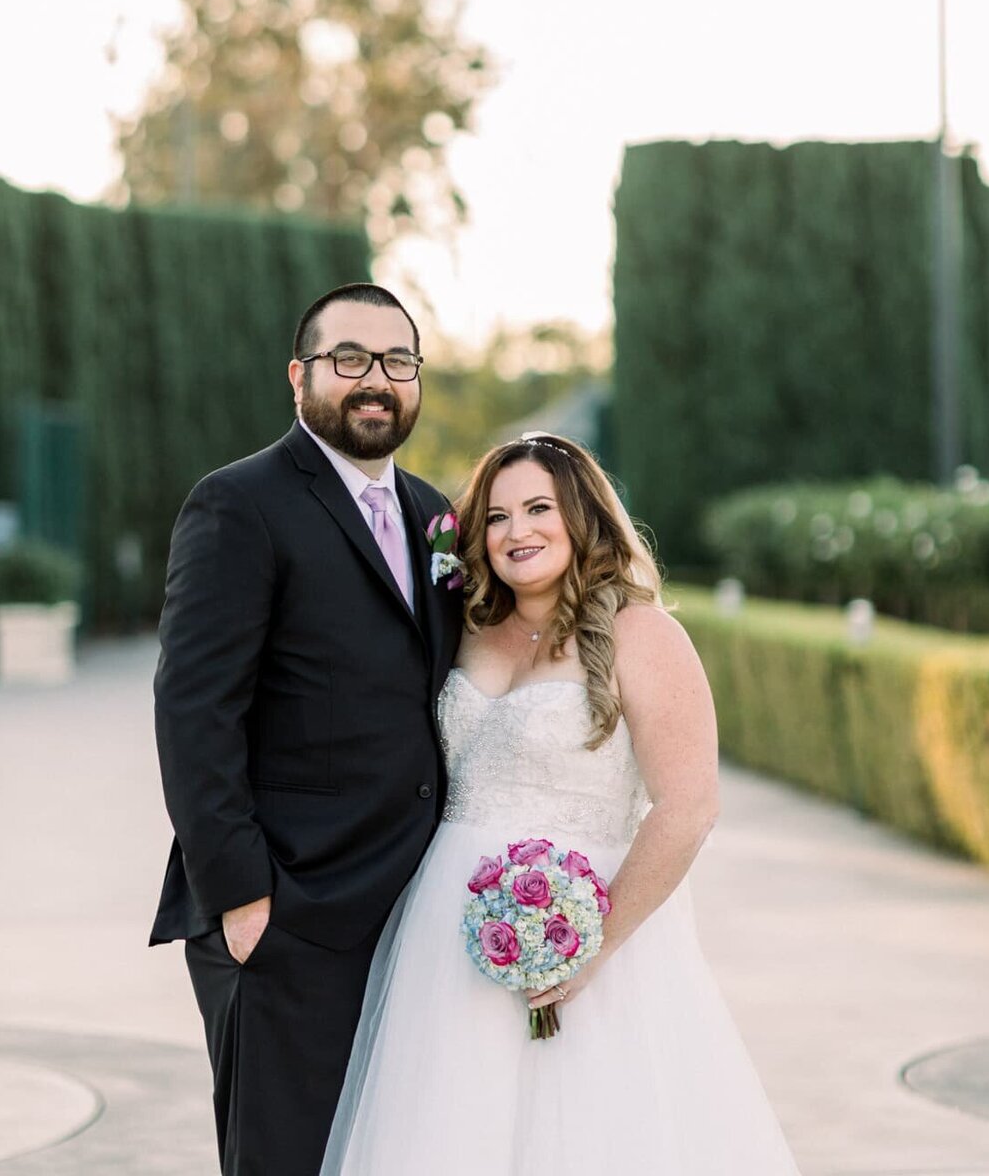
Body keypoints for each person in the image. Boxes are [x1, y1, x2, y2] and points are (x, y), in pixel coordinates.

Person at [320, 432, 803, 1175]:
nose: (517, 532)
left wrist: (592, 945)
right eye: (497, 517)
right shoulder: (468, 628)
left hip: (592, 936)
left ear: (581, 517)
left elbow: (689, 805)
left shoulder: (643, 633)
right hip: (446, 942)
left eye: (538, 508)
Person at [150, 282, 464, 1176]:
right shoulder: (238, 505)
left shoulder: (436, 516)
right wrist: (244, 898)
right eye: (350, 359)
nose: (376, 380)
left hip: (410, 914)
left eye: (397, 362)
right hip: (288, 915)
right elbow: (193, 712)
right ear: (301, 377)